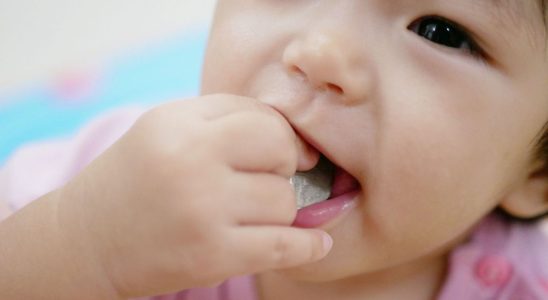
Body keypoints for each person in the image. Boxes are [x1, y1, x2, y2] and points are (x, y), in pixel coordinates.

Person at [1, 0, 548, 299]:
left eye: (438, 31)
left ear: (538, 175)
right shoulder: (119, 178)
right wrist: (85, 245)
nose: (319, 52)